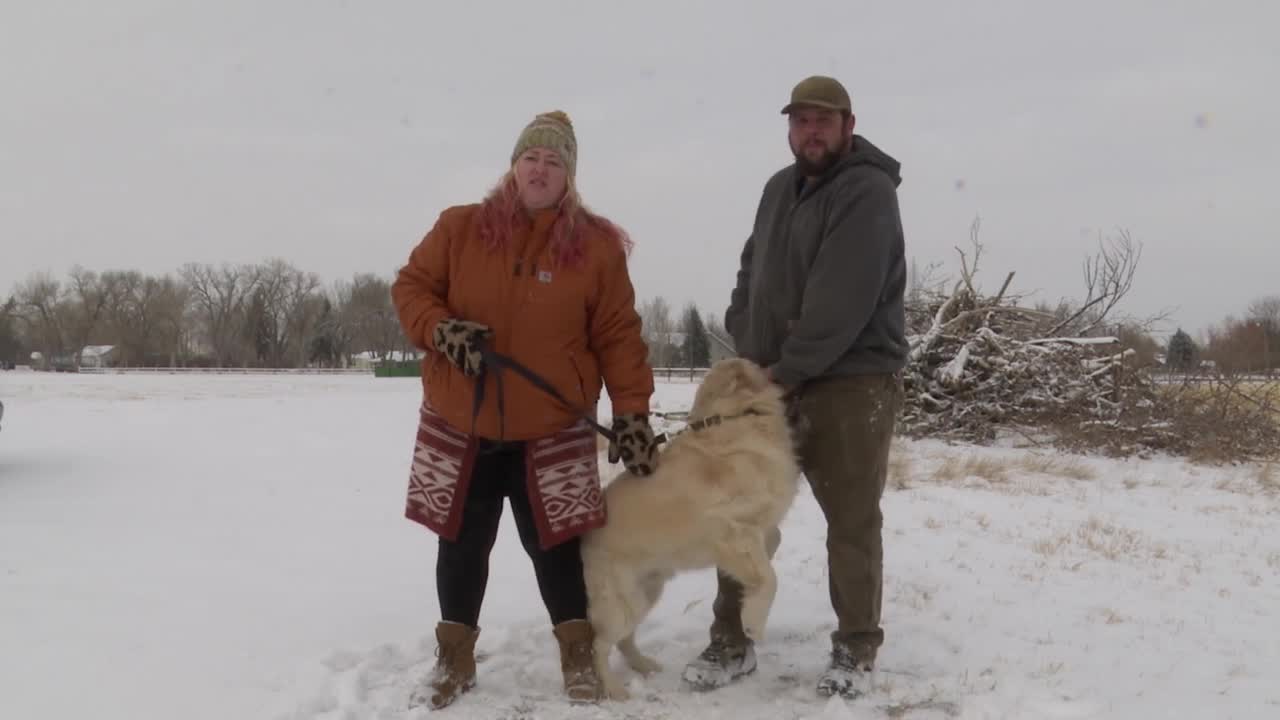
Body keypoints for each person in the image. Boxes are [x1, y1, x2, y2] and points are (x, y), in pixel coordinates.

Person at [391, 110, 661, 709]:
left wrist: (633, 414)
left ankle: (578, 656)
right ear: (513, 166)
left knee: (559, 546)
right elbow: (410, 288)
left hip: (553, 423)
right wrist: (441, 330)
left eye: (554, 161)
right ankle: (455, 661)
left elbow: (619, 334)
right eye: (531, 158)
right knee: (461, 543)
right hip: (463, 418)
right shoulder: (459, 228)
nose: (540, 169)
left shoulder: (595, 248)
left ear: (570, 177)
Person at [681, 75, 907, 699]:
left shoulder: (867, 192)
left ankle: (856, 647)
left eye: (823, 120)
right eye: (801, 120)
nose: (811, 131)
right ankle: (731, 640)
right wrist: (744, 337)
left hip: (850, 383)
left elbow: (842, 299)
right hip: (773, 379)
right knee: (745, 511)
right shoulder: (777, 190)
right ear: (789, 128)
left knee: (852, 520)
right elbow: (752, 270)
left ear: (848, 126)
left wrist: (782, 371)